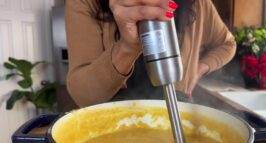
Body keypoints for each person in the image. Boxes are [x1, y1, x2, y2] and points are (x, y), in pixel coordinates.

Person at [65, 0, 236, 107]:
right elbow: (83, 96)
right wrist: (127, 47)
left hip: (179, 108)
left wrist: (198, 69)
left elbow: (228, 44)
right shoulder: (85, 3)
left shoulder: (198, 4)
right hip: (113, 120)